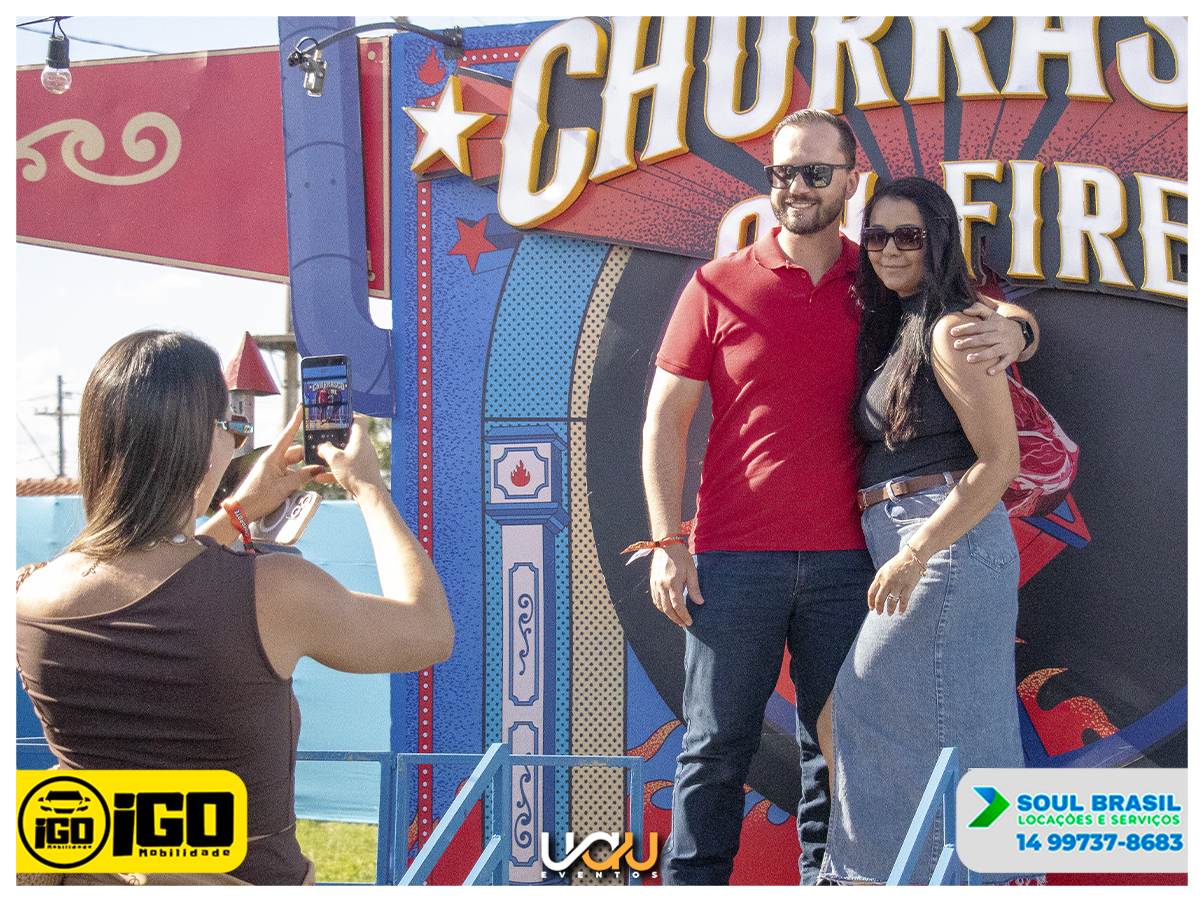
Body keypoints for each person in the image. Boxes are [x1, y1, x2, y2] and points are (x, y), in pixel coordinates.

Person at [641, 110, 1037, 885]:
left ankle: (831, 884)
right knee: (714, 747)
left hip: (852, 561)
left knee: (839, 749)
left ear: (850, 181)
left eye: (815, 172)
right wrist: (666, 540)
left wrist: (1020, 331)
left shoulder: (880, 279)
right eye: (782, 172)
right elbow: (664, 421)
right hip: (732, 559)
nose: (796, 186)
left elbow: (969, 316)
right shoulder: (716, 285)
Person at [15, 331, 454, 885]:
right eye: (233, 426)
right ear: (201, 447)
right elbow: (427, 630)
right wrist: (369, 487)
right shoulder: (272, 590)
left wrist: (239, 511)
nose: (239, 442)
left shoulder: (31, 597)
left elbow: (151, 579)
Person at [817, 177, 1028, 884]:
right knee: (946, 731)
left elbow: (1000, 460)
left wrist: (916, 552)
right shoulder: (904, 325)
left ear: (938, 240)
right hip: (918, 540)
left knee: (864, 712)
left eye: (907, 235)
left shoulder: (951, 328)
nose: (888, 250)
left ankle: (884, 880)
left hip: (942, 546)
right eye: (876, 236)